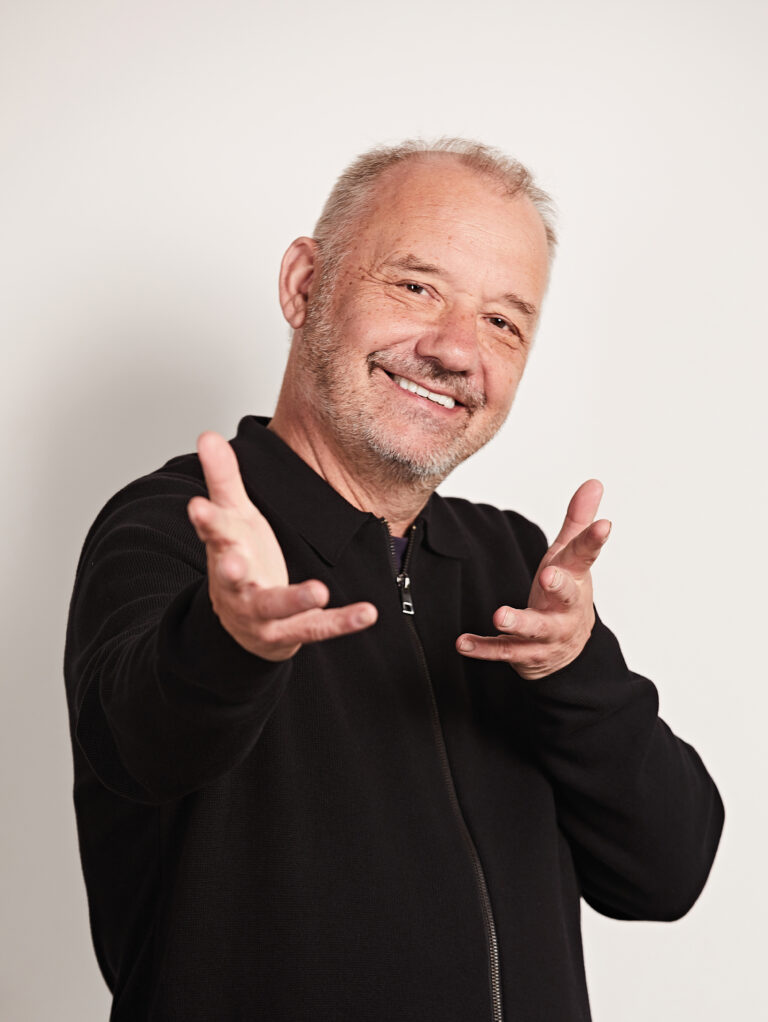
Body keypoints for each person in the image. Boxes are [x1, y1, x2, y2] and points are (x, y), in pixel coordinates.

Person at [65, 139, 723, 1022]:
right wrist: (229, 645)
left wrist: (574, 674)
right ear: (305, 285)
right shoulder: (174, 527)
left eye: (503, 322)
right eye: (417, 286)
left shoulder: (514, 565)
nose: (457, 350)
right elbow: (135, 748)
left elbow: (667, 873)